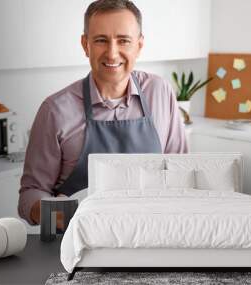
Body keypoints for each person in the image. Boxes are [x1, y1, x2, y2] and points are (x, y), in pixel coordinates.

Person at [18, 0, 188, 226]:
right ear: (85, 44)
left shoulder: (160, 92)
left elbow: (181, 171)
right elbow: (31, 195)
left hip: (152, 234)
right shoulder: (55, 110)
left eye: (123, 41)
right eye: (101, 40)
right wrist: (63, 217)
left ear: (139, 45)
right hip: (78, 244)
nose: (112, 53)